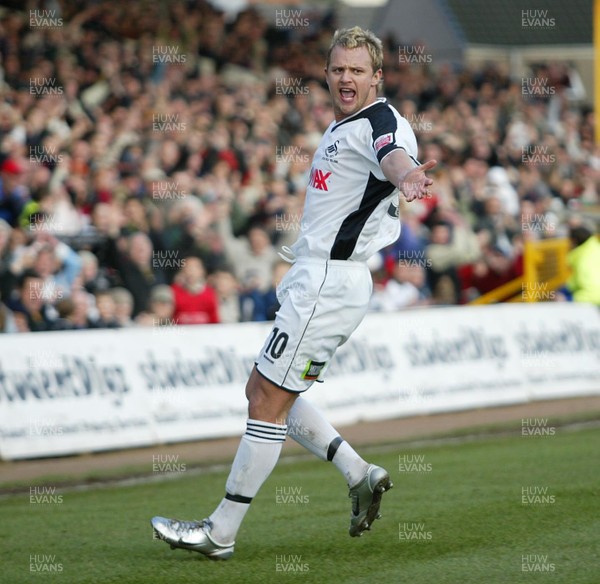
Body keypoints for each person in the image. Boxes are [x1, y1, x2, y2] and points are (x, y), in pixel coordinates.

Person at [152, 26, 436, 560]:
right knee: (266, 388)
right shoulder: (347, 122)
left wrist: (407, 177)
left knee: (265, 400)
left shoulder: (378, 122)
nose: (346, 78)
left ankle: (221, 532)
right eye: (338, 69)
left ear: (377, 76)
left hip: (328, 280)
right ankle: (358, 473)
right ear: (327, 73)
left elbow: (393, 154)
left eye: (357, 70)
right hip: (322, 278)